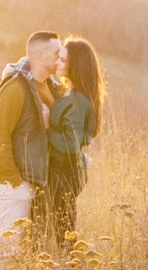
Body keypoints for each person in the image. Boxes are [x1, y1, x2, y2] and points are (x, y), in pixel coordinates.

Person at [0, 30, 64, 270]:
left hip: (34, 180)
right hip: (14, 181)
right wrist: (14, 182)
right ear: (40, 55)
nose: (60, 58)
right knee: (7, 248)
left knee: (23, 250)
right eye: (57, 52)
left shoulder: (50, 86)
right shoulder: (15, 87)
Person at [41, 37, 106, 249]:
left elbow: (71, 143)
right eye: (58, 58)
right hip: (62, 169)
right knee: (58, 228)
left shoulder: (78, 101)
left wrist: (47, 127)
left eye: (63, 60)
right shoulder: (68, 92)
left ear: (75, 65)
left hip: (65, 170)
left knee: (64, 233)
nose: (57, 63)